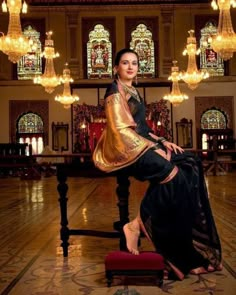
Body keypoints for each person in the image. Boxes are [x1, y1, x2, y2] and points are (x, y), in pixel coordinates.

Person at [92, 48, 222, 280]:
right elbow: (120, 130)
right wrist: (153, 149)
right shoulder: (113, 91)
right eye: (125, 63)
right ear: (115, 68)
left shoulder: (133, 90)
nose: (130, 67)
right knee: (173, 175)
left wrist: (163, 142)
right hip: (126, 150)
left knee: (190, 166)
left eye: (134, 63)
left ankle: (186, 251)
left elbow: (142, 127)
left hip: (141, 144)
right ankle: (137, 224)